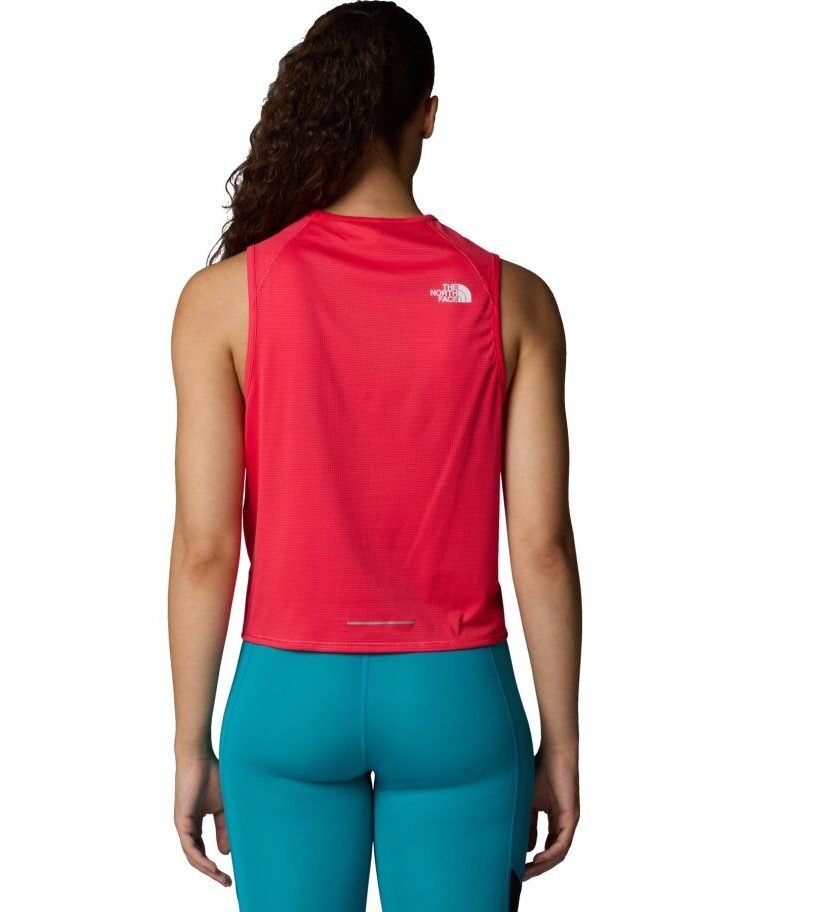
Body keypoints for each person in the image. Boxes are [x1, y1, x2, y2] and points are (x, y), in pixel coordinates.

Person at [167, 3, 582, 910]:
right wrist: (562, 742)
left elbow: (205, 550)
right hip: (455, 699)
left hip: (287, 695)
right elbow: (542, 545)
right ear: (426, 115)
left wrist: (191, 743)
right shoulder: (515, 300)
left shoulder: (221, 300)